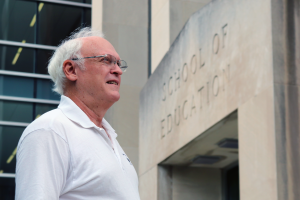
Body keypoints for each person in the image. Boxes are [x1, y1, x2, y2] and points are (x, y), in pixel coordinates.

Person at [15, 27, 140, 200]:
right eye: (106, 60)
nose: (118, 70)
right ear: (71, 70)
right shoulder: (50, 131)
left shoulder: (109, 137)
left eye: (119, 63)